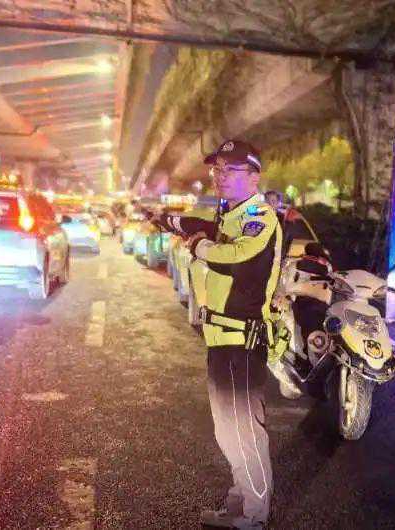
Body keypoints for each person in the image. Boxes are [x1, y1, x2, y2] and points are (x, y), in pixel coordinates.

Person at [153, 140, 281, 529]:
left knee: (244, 430)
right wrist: (171, 222)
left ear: (254, 176)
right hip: (222, 338)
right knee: (228, 431)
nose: (220, 176)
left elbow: (240, 257)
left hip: (241, 340)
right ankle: (240, 507)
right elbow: (205, 228)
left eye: (230, 169)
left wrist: (200, 247)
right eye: (217, 169)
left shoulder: (259, 215)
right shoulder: (230, 214)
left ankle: (255, 517)